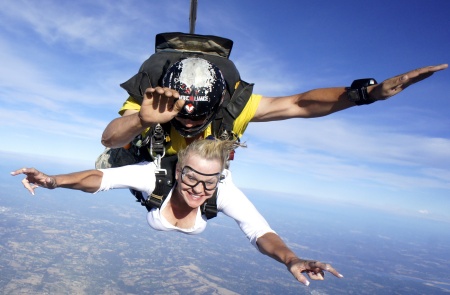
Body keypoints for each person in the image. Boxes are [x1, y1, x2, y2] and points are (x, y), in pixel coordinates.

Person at [11, 139, 343, 287]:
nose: (198, 189)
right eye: (191, 178)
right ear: (179, 170)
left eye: (208, 182)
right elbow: (101, 179)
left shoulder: (222, 189)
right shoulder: (156, 175)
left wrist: (291, 259)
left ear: (220, 178)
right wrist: (54, 181)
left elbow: (259, 231)